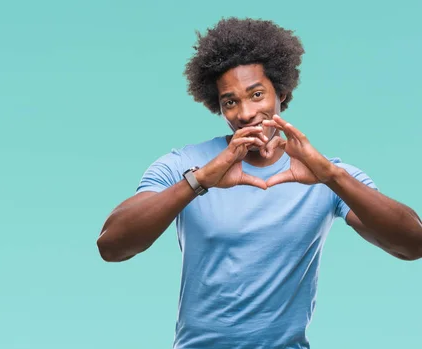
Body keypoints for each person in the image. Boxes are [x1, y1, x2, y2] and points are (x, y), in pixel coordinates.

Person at [96, 17, 422, 348]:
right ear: (219, 107)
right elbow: (111, 244)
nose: (246, 112)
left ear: (281, 93)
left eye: (256, 94)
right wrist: (201, 180)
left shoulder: (324, 173)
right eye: (230, 101)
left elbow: (412, 243)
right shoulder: (184, 164)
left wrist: (332, 177)